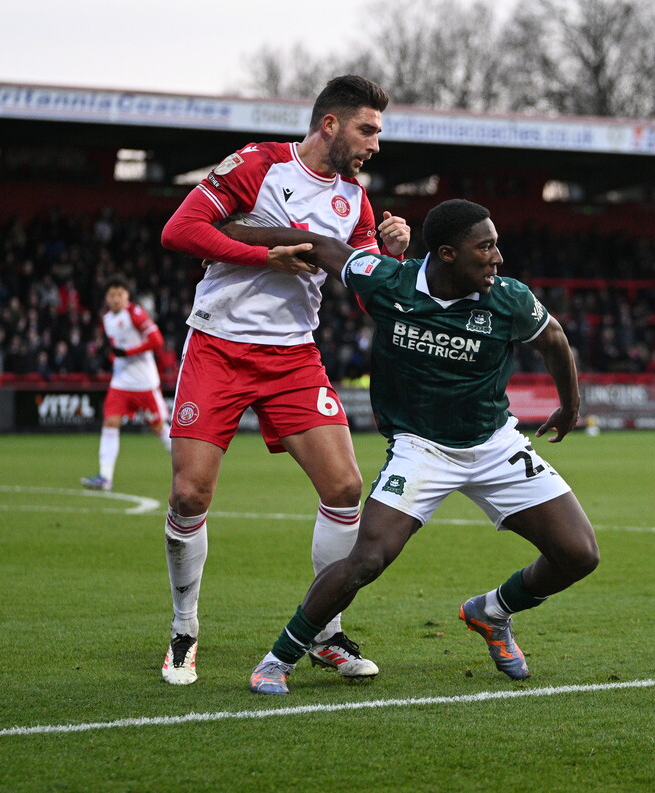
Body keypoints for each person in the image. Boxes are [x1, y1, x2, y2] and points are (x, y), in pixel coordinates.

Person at [218, 198, 600, 695]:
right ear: (446, 254)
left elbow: (553, 338)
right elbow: (324, 246)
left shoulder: (507, 299)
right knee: (367, 559)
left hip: (493, 444)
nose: (497, 259)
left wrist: (570, 406)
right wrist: (229, 232)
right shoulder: (386, 280)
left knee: (578, 554)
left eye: (496, 246)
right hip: (421, 449)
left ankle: (492, 611)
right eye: (485, 247)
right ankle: (278, 659)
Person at [157, 75, 411, 685]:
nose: (375, 144)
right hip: (218, 344)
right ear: (330, 123)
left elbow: (369, 291)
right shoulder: (257, 164)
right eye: (367, 129)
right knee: (190, 495)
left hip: (293, 356)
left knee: (346, 487)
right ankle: (183, 629)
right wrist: (262, 255)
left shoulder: (356, 202)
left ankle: (324, 632)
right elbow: (180, 232)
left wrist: (394, 255)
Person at [81, 276, 171, 492]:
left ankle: (191, 466)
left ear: (127, 296)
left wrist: (128, 352)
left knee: (158, 428)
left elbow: (157, 341)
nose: (115, 299)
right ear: (106, 298)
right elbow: (117, 347)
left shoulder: (135, 313)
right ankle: (105, 477)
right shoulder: (107, 319)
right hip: (120, 381)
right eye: (111, 295)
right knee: (110, 423)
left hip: (143, 382)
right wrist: (114, 357)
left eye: (119, 294)